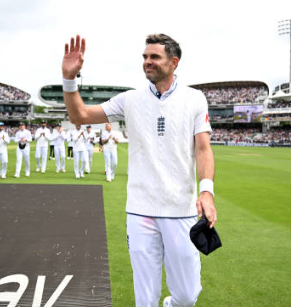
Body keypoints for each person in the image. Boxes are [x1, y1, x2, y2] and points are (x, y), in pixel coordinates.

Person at [61, 34, 216, 307]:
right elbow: (79, 116)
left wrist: (207, 192)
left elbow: (203, 149)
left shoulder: (195, 99)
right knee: (145, 298)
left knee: (187, 296)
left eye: (154, 57)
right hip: (140, 210)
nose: (147, 62)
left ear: (174, 62)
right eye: (145, 57)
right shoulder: (129, 99)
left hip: (180, 210)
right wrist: (69, 80)